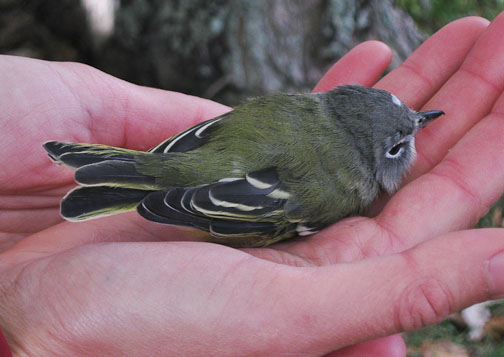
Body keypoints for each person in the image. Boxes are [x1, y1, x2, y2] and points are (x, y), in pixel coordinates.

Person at [0, 13, 503, 356]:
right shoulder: (344, 191)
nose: (420, 128)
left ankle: (123, 175)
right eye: (400, 140)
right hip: (227, 195)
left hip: (193, 149)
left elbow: (215, 133)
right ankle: (124, 180)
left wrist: (164, 169)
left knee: (166, 170)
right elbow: (261, 214)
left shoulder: (297, 105)